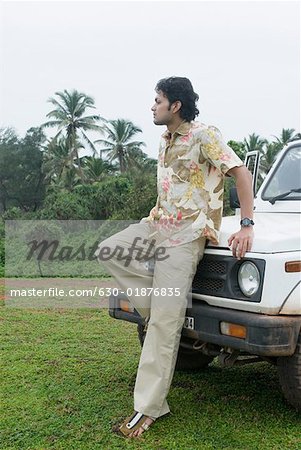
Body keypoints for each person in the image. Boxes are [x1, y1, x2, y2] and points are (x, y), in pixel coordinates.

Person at [95, 76, 254, 438]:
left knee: (163, 325)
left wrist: (246, 224)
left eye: (158, 99)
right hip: (156, 225)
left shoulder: (204, 135)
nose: (153, 105)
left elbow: (240, 173)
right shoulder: (165, 140)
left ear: (176, 105)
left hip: (185, 237)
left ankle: (147, 409)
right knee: (108, 250)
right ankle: (163, 311)